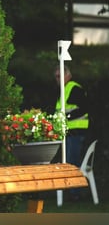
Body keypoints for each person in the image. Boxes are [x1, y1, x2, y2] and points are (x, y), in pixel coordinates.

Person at [54, 65, 89, 200]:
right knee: (68, 162)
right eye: (56, 77)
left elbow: (84, 108)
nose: (57, 80)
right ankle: (71, 192)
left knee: (72, 163)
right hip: (67, 132)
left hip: (76, 131)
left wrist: (67, 117)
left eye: (59, 76)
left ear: (67, 75)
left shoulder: (74, 88)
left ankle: (75, 194)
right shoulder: (63, 90)